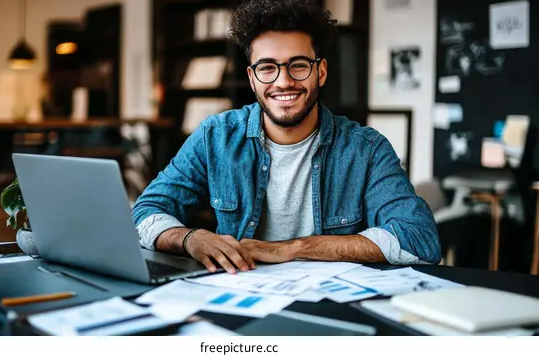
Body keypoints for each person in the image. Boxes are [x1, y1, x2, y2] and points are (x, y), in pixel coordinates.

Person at [132, 0, 441, 274]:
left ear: (320, 72)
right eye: (268, 68)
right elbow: (145, 212)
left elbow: (419, 239)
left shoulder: (366, 149)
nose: (284, 81)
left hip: (332, 306)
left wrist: (291, 248)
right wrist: (190, 238)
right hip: (242, 295)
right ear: (252, 79)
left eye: (298, 66)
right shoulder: (216, 136)